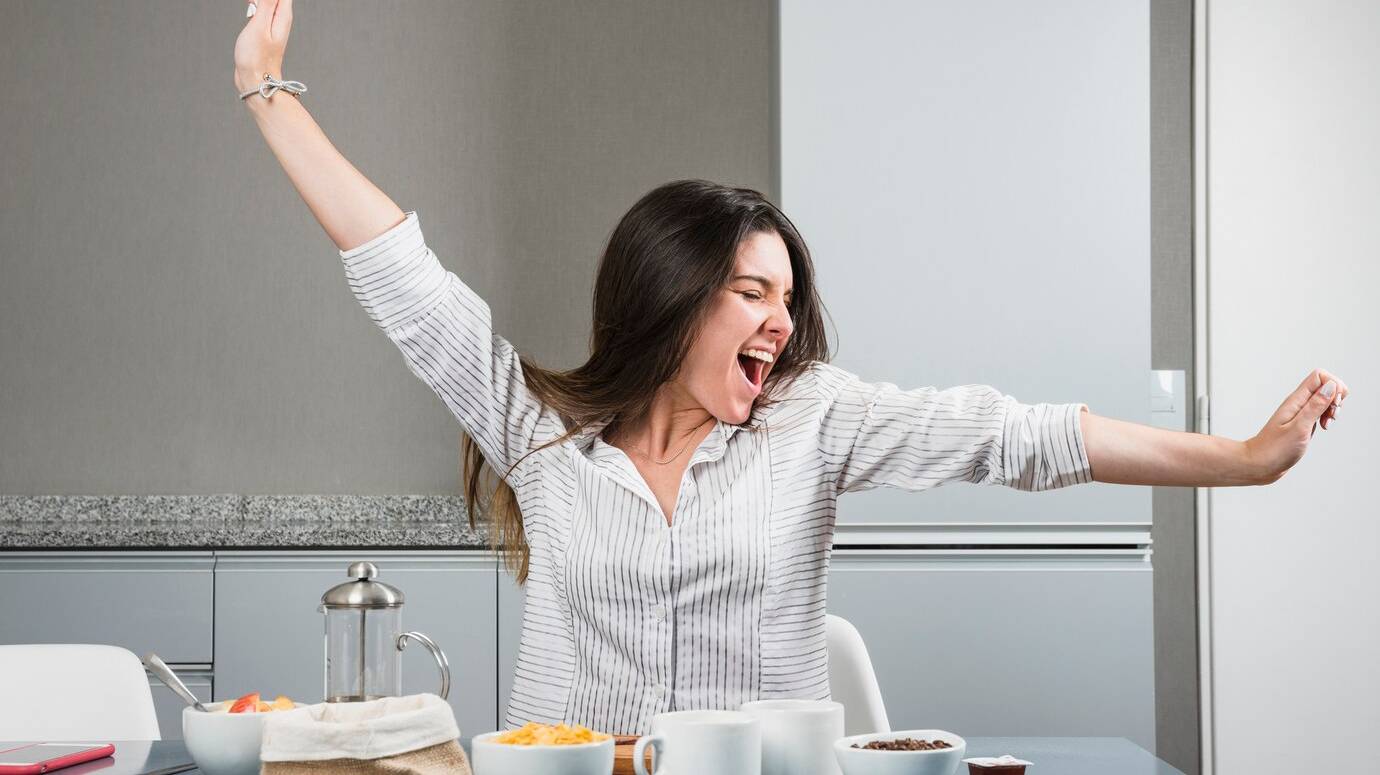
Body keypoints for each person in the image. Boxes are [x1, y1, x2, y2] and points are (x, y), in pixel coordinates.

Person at [234, 0, 1350, 735]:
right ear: (669, 300)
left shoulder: (812, 418)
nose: (782, 320)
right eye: (750, 292)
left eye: (788, 296)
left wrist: (1247, 461)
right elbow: (398, 271)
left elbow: (1017, 433)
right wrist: (268, 95)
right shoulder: (540, 432)